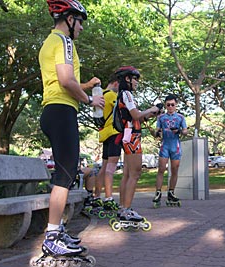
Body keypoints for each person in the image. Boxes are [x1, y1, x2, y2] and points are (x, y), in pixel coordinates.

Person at [38, 0, 104, 257]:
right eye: (81, 22)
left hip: (53, 110)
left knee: (65, 175)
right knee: (64, 177)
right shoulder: (65, 42)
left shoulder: (49, 42)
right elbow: (66, 81)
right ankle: (52, 236)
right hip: (62, 110)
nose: (82, 28)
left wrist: (85, 87)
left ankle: (57, 230)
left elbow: (62, 80)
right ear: (69, 19)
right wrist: (89, 100)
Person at [113, 66, 161, 222]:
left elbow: (138, 117)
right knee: (135, 173)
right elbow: (136, 115)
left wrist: (150, 114)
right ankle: (127, 210)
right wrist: (152, 108)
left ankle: (122, 208)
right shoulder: (126, 94)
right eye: (135, 79)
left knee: (127, 175)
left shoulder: (122, 95)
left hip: (128, 135)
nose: (137, 83)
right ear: (127, 79)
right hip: (132, 137)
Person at [91, 72, 123, 213]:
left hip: (105, 135)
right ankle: (109, 198)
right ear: (116, 83)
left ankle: (97, 196)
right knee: (111, 168)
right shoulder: (111, 95)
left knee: (104, 168)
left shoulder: (99, 96)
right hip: (114, 133)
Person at [152, 94, 188, 207]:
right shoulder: (161, 117)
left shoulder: (180, 117)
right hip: (165, 145)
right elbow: (156, 131)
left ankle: (171, 192)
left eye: (173, 104)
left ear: (176, 105)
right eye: (168, 105)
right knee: (161, 169)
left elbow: (186, 131)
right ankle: (158, 192)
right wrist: (156, 133)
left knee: (174, 169)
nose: (170, 107)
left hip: (175, 145)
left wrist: (179, 131)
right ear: (166, 105)